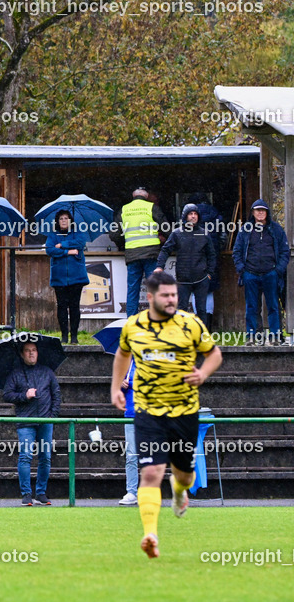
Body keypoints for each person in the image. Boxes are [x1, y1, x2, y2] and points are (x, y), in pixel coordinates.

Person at [111, 270, 222, 559]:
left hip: (184, 410)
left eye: (174, 294)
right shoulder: (134, 326)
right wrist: (115, 388)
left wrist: (203, 373)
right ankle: (150, 534)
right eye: (166, 295)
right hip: (148, 411)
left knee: (184, 474)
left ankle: (179, 490)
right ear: (150, 297)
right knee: (150, 472)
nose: (172, 299)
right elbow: (122, 355)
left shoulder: (191, 324)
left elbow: (214, 354)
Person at [3, 341, 61, 506]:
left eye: (34, 350)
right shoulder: (15, 374)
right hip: (25, 422)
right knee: (26, 456)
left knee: (45, 458)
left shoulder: (47, 372)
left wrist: (52, 416)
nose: (31, 353)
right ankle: (26, 494)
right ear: (22, 354)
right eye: (27, 351)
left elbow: (56, 395)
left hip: (45, 421)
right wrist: (24, 395)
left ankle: (41, 493)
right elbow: (7, 395)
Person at [233, 199, 290, 345]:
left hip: (270, 274)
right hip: (250, 274)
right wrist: (242, 270)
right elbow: (237, 251)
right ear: (253, 212)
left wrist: (278, 270)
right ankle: (252, 337)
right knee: (251, 307)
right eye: (257, 210)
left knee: (273, 306)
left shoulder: (276, 229)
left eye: (263, 210)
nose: (260, 213)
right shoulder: (245, 229)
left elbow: (285, 251)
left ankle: (275, 337)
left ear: (267, 213)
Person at [154, 203, 215, 324]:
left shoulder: (204, 233)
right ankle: (181, 336)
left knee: (201, 310)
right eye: (190, 214)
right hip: (183, 279)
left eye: (195, 214)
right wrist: (160, 266)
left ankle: (203, 336)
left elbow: (212, 255)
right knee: (181, 310)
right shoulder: (177, 233)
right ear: (185, 217)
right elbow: (165, 250)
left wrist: (209, 274)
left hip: (201, 278)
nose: (193, 216)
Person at [112, 188, 166, 316]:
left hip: (132, 255)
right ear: (146, 196)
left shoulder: (124, 209)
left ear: (133, 196)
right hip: (151, 254)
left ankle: (131, 321)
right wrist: (166, 243)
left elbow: (113, 234)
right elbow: (167, 228)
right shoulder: (151, 207)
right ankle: (156, 318)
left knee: (132, 289)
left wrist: (123, 244)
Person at [45, 209, 89, 344]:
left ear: (70, 221)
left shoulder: (78, 233)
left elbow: (81, 243)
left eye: (66, 218)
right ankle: (64, 335)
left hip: (77, 277)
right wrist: (68, 252)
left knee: (75, 306)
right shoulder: (53, 235)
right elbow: (49, 249)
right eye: (61, 218)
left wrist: (63, 245)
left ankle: (74, 336)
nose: (64, 221)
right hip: (59, 277)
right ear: (57, 221)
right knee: (62, 306)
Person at [194, 197, 223, 332]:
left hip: (195, 257)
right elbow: (223, 236)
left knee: (195, 290)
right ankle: (208, 326)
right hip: (212, 256)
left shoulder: (191, 214)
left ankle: (198, 325)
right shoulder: (216, 214)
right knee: (209, 290)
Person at [118, 358, 138, 506]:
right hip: (131, 415)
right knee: (131, 456)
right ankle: (132, 492)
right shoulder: (126, 364)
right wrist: (121, 386)